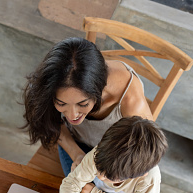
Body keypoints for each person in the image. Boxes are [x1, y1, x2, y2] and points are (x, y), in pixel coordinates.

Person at [23, 37, 153, 176]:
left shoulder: (131, 100)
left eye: (83, 104)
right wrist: (77, 154)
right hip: (75, 142)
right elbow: (49, 122)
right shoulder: (54, 80)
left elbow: (146, 161)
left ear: (98, 90)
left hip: (115, 155)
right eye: (61, 104)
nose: (72, 116)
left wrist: (105, 184)